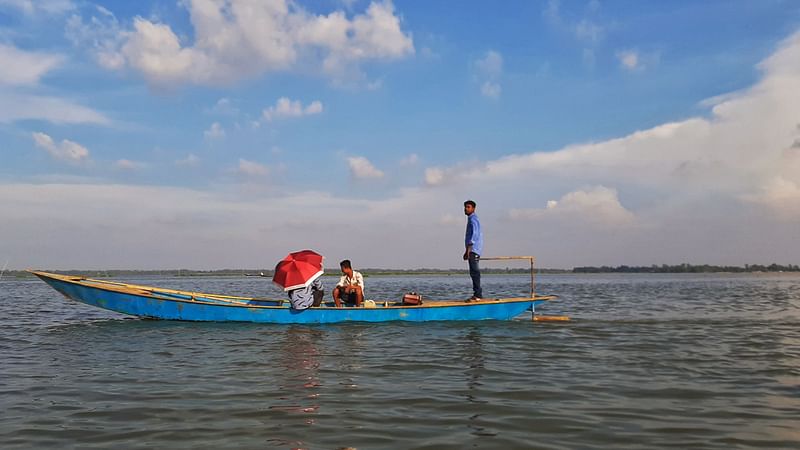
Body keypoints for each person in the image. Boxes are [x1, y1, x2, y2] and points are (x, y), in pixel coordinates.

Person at [463, 200, 483, 301]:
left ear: (473, 208)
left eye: (468, 207)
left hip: (473, 249)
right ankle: (477, 294)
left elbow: (474, 235)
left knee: (475, 272)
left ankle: (478, 295)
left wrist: (468, 250)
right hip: (472, 249)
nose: (466, 209)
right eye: (465, 207)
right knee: (473, 272)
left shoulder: (473, 219)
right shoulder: (471, 219)